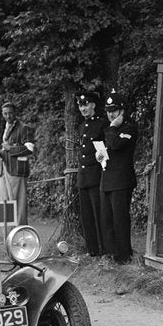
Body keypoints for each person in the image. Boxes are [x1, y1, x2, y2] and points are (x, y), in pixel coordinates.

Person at [98, 91, 138, 264]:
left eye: (114, 110)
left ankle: (123, 256)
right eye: (108, 111)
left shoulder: (129, 127)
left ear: (122, 110)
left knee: (120, 219)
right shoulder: (109, 129)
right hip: (107, 179)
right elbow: (108, 149)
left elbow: (116, 144)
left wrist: (113, 127)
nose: (110, 114)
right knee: (106, 219)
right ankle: (110, 254)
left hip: (121, 180)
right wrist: (99, 156)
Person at [75, 90, 107, 256]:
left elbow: (104, 151)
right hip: (83, 176)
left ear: (93, 105)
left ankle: (103, 249)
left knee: (98, 213)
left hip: (96, 175)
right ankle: (92, 250)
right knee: (86, 216)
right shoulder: (81, 126)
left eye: (86, 104)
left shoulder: (101, 125)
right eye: (80, 105)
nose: (83, 108)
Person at [0, 101, 34, 225]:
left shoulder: (23, 128)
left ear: (15, 113)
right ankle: (9, 237)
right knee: (5, 203)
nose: (8, 116)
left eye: (10, 113)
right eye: (5, 114)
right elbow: (6, 148)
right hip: (4, 169)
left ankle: (21, 234)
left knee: (18, 205)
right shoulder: (6, 128)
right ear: (2, 114)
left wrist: (9, 149)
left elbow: (29, 149)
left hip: (17, 171)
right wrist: (0, 153)